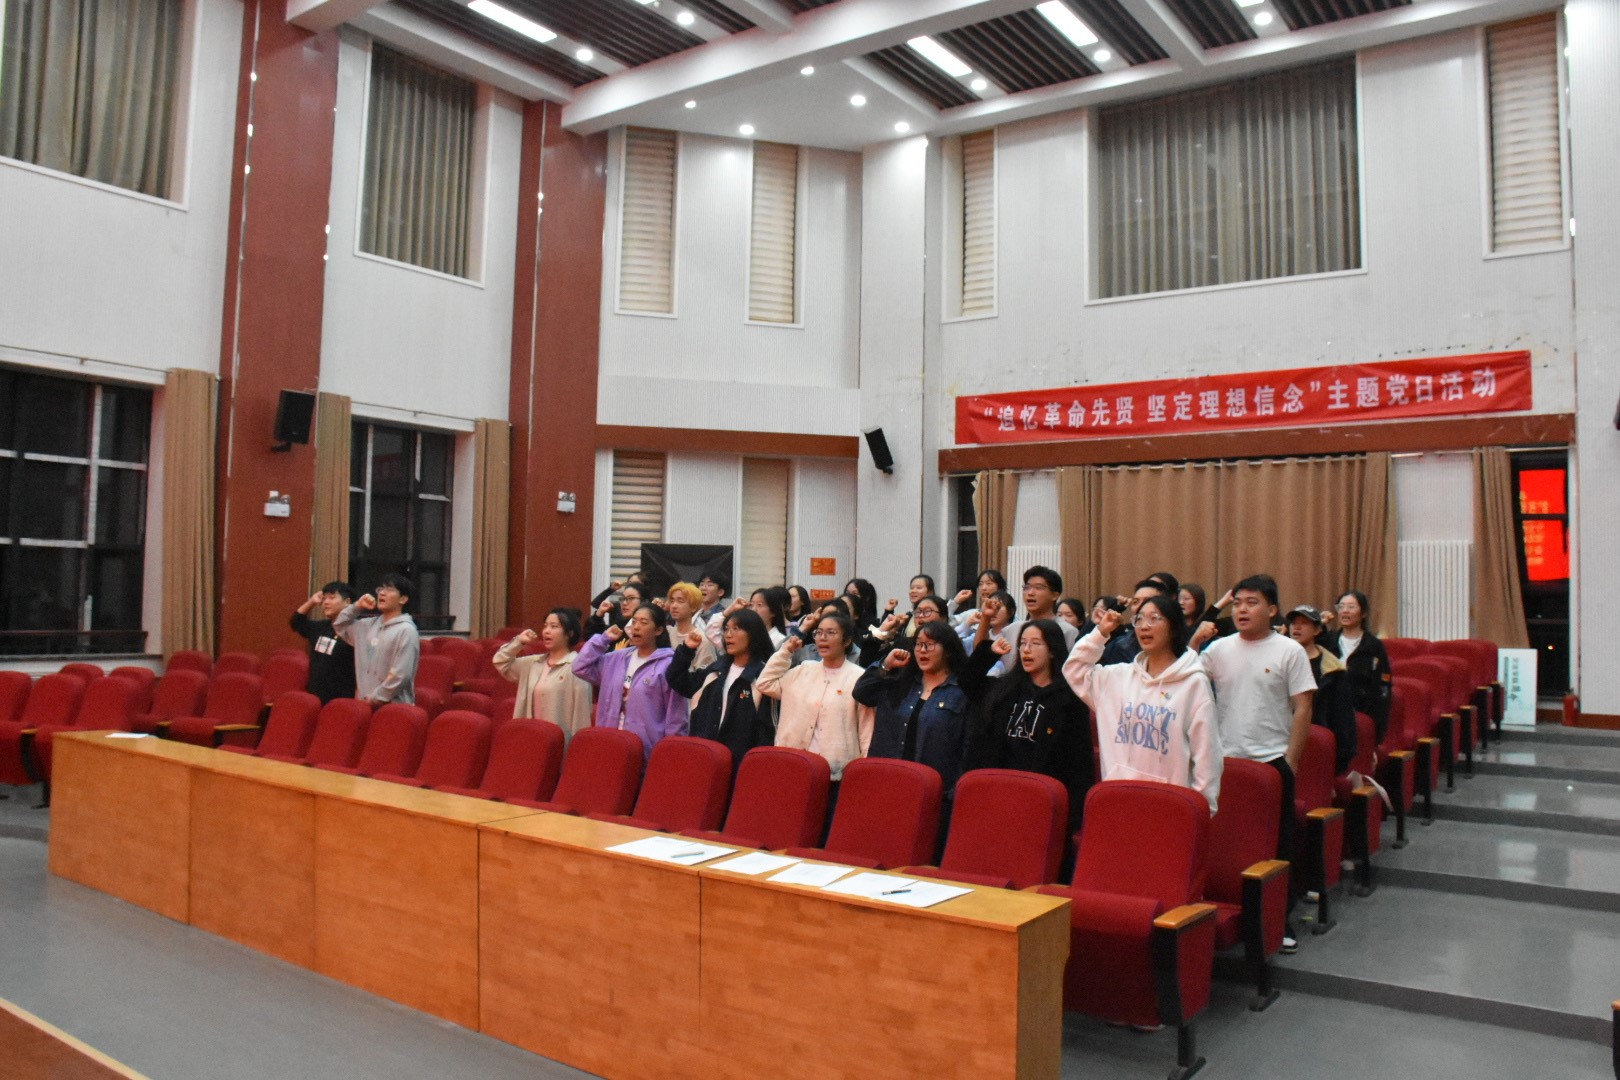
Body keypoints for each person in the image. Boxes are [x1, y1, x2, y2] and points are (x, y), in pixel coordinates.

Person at [1193, 574, 1314, 950]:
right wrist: (1195, 640)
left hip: (1271, 762)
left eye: (1252, 602)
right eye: (1238, 603)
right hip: (1224, 761)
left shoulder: (1289, 651)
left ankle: (1279, 921)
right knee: (1225, 842)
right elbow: (1183, 679)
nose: (1242, 610)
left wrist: (1291, 760)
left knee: (1277, 845)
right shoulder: (1218, 649)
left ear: (1272, 609)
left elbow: (1303, 707)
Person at [1064, 596, 1223, 814]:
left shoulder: (1193, 683)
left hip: (1168, 807)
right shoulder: (1117, 677)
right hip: (1117, 801)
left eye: (1154, 618)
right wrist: (1100, 633)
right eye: (1138, 619)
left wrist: (1201, 811)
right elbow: (1074, 669)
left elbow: (1207, 755)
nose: (1144, 626)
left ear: (1174, 627)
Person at [968, 618, 1094, 836]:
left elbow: (1079, 762)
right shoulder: (1006, 689)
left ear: (1052, 650)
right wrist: (990, 653)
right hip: (1000, 792)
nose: (1026, 650)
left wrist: (1072, 818)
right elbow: (968, 682)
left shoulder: (1069, 699)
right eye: (1022, 644)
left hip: (1043, 800)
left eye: (1035, 644)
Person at [855, 621, 976, 797]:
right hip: (888, 783)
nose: (922, 650)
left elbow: (967, 748)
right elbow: (861, 693)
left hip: (935, 790)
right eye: (918, 644)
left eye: (929, 644)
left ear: (948, 650)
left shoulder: (961, 692)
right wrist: (886, 664)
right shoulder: (900, 681)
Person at [758, 611, 871, 782]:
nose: (822, 638)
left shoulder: (858, 677)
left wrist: (863, 770)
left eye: (831, 633)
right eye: (819, 632)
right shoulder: (804, 669)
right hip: (792, 765)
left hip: (836, 773)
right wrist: (786, 651)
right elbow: (765, 683)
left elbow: (866, 730)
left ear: (847, 641)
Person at [666, 607, 776, 774]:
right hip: (704, 761)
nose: (728, 635)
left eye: (736, 629)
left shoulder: (763, 678)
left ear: (753, 634)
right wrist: (687, 650)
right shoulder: (715, 670)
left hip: (741, 768)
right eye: (726, 629)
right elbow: (677, 680)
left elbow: (766, 732)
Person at [573, 603, 689, 758]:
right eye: (634, 622)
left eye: (643, 622)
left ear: (659, 630)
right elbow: (580, 667)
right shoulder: (617, 658)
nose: (636, 627)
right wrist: (602, 640)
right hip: (609, 743)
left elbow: (676, 718)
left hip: (646, 751)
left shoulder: (669, 666)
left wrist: (670, 754)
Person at [493, 607, 593, 741]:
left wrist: (576, 747)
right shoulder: (533, 663)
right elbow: (500, 661)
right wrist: (519, 642)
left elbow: (581, 717)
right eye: (545, 626)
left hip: (560, 743)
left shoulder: (577, 668)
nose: (547, 631)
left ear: (569, 633)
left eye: (554, 626)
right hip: (530, 739)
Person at [1287, 605, 1357, 775]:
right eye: (1294, 623)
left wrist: (1338, 764)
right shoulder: (1278, 662)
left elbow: (1342, 719)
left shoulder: (1333, 670)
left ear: (1317, 630)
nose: (1297, 628)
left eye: (1304, 623)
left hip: (1318, 749)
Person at [332, 574, 420, 706]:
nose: (382, 593)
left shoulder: (406, 630)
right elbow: (339, 625)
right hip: (364, 705)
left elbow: (400, 676)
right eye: (380, 589)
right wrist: (357, 606)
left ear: (403, 599)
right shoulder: (367, 625)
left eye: (389, 589)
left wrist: (374, 698)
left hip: (394, 709)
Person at [1321, 590, 1393, 742]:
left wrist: (1374, 732)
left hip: (1361, 718)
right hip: (1329, 717)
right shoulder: (1328, 641)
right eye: (1341, 607)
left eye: (1351, 607)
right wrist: (1320, 625)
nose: (1345, 611)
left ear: (1363, 613)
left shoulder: (1373, 646)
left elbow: (1382, 690)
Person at [290, 581, 357, 703]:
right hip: (314, 697)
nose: (325, 602)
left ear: (347, 602)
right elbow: (296, 622)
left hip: (340, 700)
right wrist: (312, 602)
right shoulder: (321, 627)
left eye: (332, 598)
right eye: (324, 598)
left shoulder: (356, 630)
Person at [1001, 565, 1078, 655]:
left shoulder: (1068, 631)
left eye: (1038, 587)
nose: (1030, 593)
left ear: (1055, 595)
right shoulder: (1011, 630)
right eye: (1026, 588)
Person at [1099, 578, 1170, 667]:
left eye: (1147, 601)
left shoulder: (1180, 650)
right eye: (1136, 602)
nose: (1140, 606)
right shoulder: (1119, 647)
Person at [663, 581, 715, 667]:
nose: (674, 606)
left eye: (680, 601)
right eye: (672, 601)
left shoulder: (701, 640)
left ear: (693, 607)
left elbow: (703, 672)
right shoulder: (666, 632)